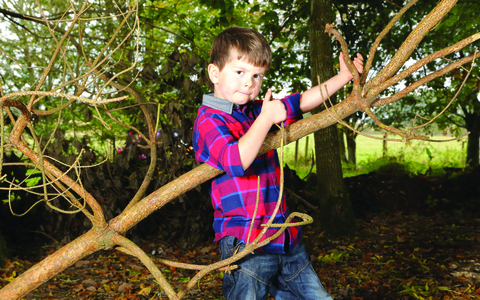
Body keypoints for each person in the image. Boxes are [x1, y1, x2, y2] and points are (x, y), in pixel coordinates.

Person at [193, 26, 363, 300]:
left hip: (285, 238)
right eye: (240, 72)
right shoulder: (209, 120)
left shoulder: (255, 110)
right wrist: (266, 119)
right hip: (246, 243)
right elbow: (236, 161)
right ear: (215, 73)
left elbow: (301, 102)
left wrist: (343, 77)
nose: (249, 82)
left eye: (257, 75)